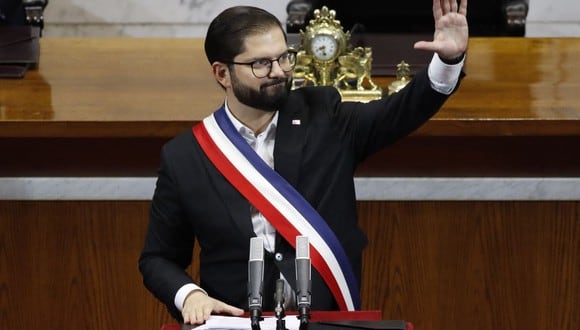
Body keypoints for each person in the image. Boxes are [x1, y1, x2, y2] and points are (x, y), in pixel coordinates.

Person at [139, 0, 468, 325]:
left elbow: (401, 112)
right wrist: (189, 295)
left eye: (284, 57)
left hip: (327, 317)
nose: (280, 71)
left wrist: (448, 59)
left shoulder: (325, 116)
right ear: (222, 73)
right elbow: (158, 258)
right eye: (261, 64)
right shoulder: (186, 156)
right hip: (237, 319)